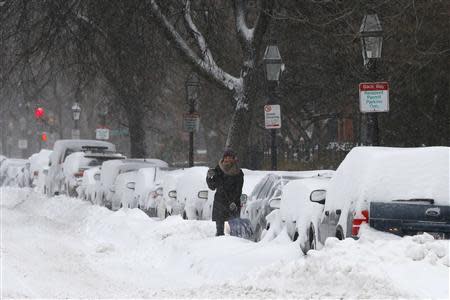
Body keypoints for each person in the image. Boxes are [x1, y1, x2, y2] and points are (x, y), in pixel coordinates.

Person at [206, 149, 244, 236]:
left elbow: (238, 190)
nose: (227, 160)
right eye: (226, 158)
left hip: (233, 204)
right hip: (220, 203)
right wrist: (209, 177)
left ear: (234, 159)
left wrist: (234, 202)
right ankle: (220, 246)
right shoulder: (218, 170)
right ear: (223, 159)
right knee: (219, 232)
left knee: (235, 231)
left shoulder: (238, 173)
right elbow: (212, 186)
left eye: (230, 158)